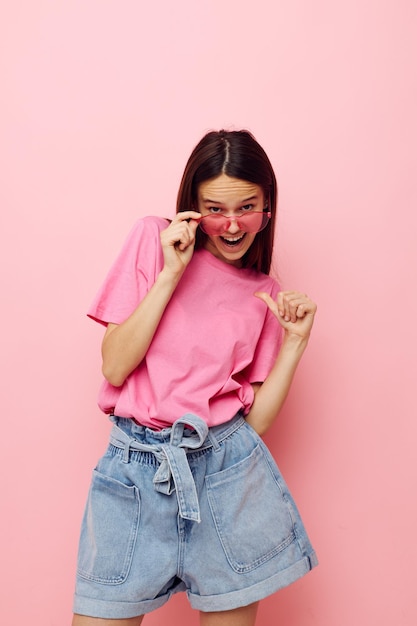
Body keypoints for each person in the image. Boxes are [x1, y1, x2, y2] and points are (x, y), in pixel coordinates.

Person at [72, 129, 318, 626]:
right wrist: (170, 272)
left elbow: (256, 426)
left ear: (267, 209)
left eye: (246, 207)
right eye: (215, 208)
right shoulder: (150, 239)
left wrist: (294, 342)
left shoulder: (264, 294)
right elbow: (116, 366)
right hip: (135, 472)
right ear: (193, 207)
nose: (231, 225)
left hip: (228, 475)